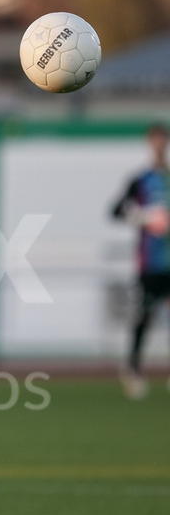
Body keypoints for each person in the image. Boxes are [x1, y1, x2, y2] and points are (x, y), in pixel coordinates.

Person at [111, 122, 170, 399]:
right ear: (150, 142)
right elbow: (116, 210)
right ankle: (133, 369)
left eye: (163, 140)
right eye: (155, 140)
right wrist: (146, 218)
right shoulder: (140, 180)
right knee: (144, 316)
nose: (159, 144)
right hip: (150, 261)